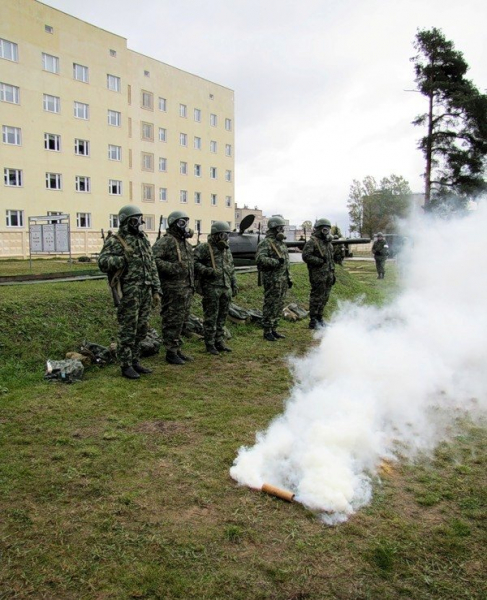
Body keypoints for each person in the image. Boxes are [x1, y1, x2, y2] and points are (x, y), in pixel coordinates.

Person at [98, 204, 161, 379]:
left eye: (140, 219)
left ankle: (135, 361)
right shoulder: (115, 241)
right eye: (135, 220)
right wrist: (122, 259)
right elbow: (102, 262)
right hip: (128, 293)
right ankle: (125, 365)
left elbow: (152, 266)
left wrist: (156, 290)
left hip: (145, 291)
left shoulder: (143, 240)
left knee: (141, 329)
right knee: (128, 330)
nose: (139, 223)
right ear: (126, 221)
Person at [152, 211, 195, 365]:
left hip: (186, 288)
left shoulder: (185, 243)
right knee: (172, 319)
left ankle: (177, 349)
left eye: (186, 222)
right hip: (173, 289)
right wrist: (172, 267)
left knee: (182, 320)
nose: (185, 226)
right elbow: (153, 259)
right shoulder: (166, 242)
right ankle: (170, 352)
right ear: (174, 223)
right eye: (182, 222)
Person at [194, 221, 238, 355]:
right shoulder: (204, 248)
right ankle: (210, 343)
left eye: (227, 235)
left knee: (222, 317)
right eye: (224, 235)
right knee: (210, 317)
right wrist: (208, 271)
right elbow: (194, 263)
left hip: (225, 287)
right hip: (211, 288)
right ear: (216, 235)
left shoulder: (226, 250)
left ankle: (219, 341)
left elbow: (231, 267)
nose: (226, 238)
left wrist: (234, 284)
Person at [256, 215, 292, 341]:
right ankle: (267, 330)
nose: (283, 230)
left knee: (279, 305)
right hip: (272, 280)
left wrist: (289, 278)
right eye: (281, 227)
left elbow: (286, 263)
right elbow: (260, 259)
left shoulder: (281, 243)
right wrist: (275, 262)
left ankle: (274, 329)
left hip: (282, 280)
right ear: (275, 228)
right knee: (270, 305)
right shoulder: (266, 243)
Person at [302, 218, 336, 329]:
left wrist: (332, 273)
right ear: (319, 229)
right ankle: (313, 320)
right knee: (316, 297)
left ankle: (320, 318)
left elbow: (331, 260)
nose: (326, 232)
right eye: (324, 229)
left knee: (325, 297)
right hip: (318, 275)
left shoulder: (328, 244)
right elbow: (306, 256)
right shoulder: (312, 242)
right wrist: (319, 261)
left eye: (328, 229)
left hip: (328, 275)